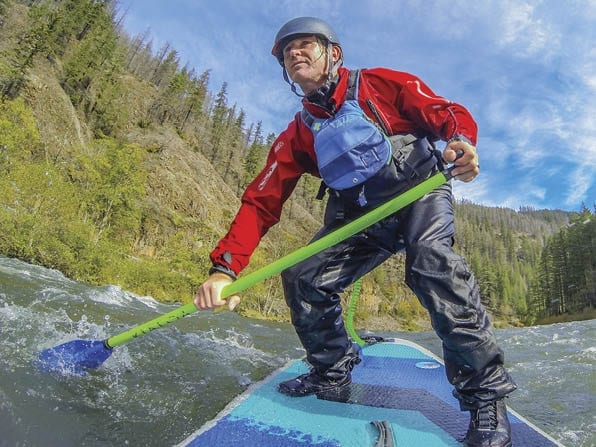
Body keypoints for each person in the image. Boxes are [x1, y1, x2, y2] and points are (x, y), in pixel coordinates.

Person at [194, 16, 517, 447]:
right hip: (358, 217)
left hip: (419, 195)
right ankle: (332, 368)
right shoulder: (297, 134)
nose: (295, 53)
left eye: (306, 44)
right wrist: (225, 269)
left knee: (431, 266)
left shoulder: (381, 84)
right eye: (287, 51)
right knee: (305, 277)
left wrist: (461, 140)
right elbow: (261, 201)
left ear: (333, 54)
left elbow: (447, 113)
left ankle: (486, 399)